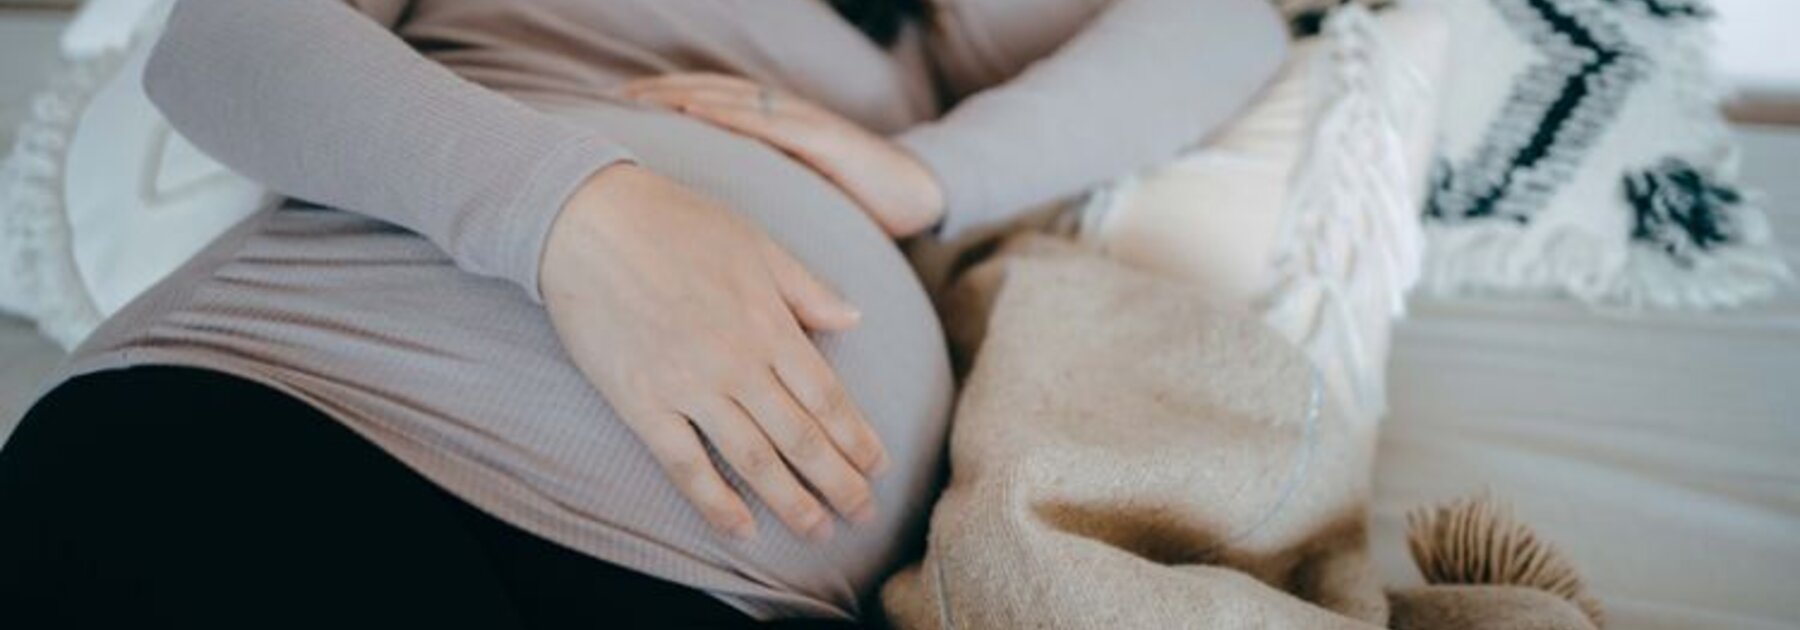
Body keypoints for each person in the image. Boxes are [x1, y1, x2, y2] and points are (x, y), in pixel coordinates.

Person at [0, 0, 1287, 626]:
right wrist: (577, 222)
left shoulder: (928, 39)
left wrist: (941, 172)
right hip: (322, 417)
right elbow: (224, 40)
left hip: (731, 585)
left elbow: (1229, 28)